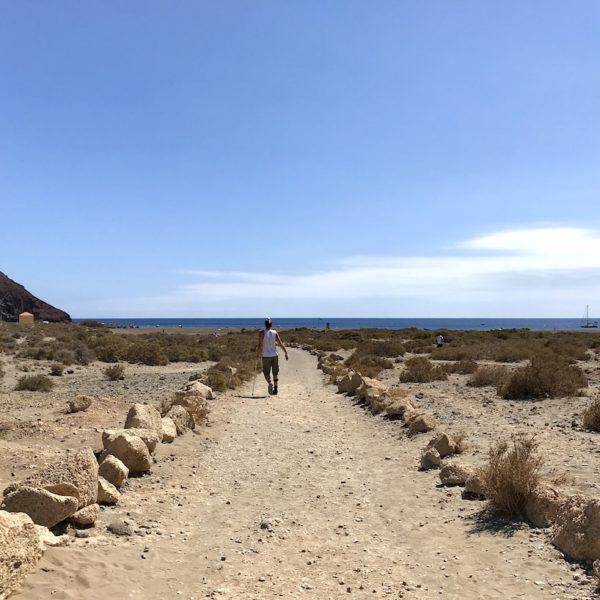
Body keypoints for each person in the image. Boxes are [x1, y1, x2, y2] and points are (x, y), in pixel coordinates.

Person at [257, 318, 288, 395]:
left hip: (266, 356)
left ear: (265, 324)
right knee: (275, 372)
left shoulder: (261, 333)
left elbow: (260, 345)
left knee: (266, 372)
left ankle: (270, 383)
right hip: (275, 355)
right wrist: (285, 352)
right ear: (271, 325)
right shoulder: (275, 333)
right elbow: (280, 344)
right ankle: (276, 389)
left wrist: (257, 354)